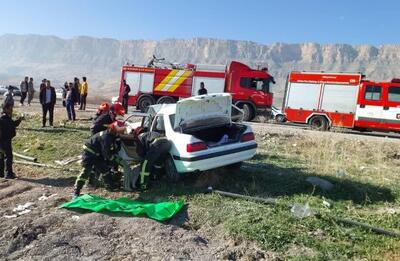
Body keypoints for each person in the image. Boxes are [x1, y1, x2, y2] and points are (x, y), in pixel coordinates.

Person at [73, 121, 127, 197]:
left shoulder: (113, 135)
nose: (122, 131)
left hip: (98, 154)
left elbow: (113, 148)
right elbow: (106, 154)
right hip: (89, 153)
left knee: (104, 170)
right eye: (120, 130)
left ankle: (110, 186)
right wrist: (117, 160)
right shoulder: (106, 137)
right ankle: (76, 191)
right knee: (86, 171)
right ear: (115, 130)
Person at [0, 103, 23, 179]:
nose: (11, 110)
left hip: (4, 140)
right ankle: (8, 174)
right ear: (6, 109)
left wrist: (19, 120)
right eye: (10, 108)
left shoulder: (6, 117)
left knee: (2, 157)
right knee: (8, 157)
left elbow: (13, 124)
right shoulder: (4, 118)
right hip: (4, 140)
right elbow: (11, 125)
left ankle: (1, 173)